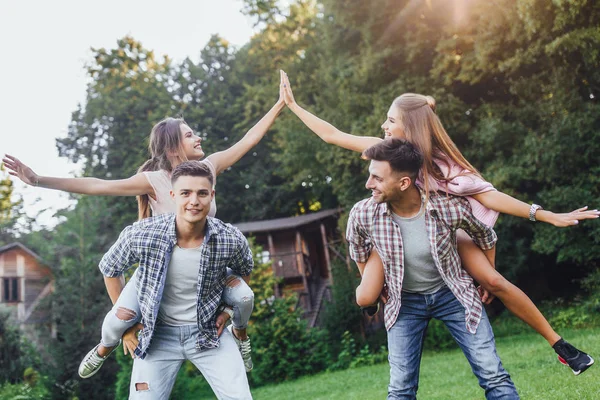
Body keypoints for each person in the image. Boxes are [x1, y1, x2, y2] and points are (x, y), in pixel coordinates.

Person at [279, 71, 596, 375]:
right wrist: (293, 106)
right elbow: (331, 135)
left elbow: (489, 196)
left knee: (494, 281)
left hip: (445, 232)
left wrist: (545, 215)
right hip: (394, 236)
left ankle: (561, 346)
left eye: (390, 120)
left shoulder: (443, 166)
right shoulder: (386, 152)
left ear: (410, 126)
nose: (383, 125)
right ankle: (372, 301)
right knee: (365, 296)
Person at [2, 74, 286, 376]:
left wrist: (280, 104)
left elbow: (248, 140)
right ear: (174, 147)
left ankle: (241, 339)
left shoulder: (208, 169)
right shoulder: (153, 180)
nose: (198, 138)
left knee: (244, 297)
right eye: (190, 135)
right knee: (118, 319)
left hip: (206, 262)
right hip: (159, 269)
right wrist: (38, 180)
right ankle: (103, 347)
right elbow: (97, 185)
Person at [348, 139, 519, 399]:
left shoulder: (447, 207)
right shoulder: (363, 214)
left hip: (453, 295)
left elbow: (485, 236)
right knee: (400, 389)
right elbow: (358, 247)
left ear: (404, 183)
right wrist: (374, 281)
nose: (368, 184)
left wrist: (487, 276)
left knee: (493, 375)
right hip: (404, 302)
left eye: (376, 178)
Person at [99, 161, 253, 399]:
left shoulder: (229, 238)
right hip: (158, 336)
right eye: (186, 193)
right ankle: (103, 347)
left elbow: (245, 270)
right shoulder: (143, 234)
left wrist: (227, 312)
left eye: (202, 193)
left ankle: (239, 336)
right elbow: (110, 268)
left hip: (210, 333)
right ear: (172, 196)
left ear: (211, 196)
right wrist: (127, 326)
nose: (194, 201)